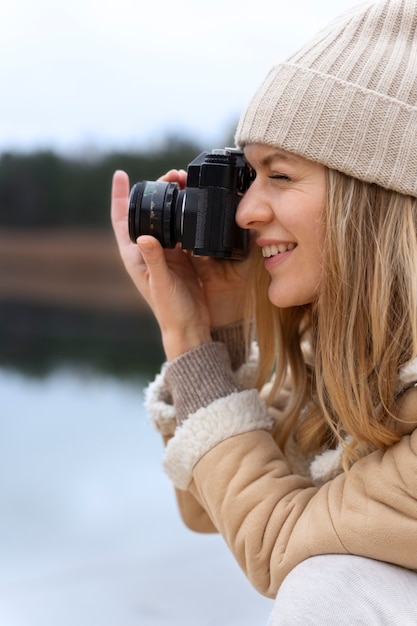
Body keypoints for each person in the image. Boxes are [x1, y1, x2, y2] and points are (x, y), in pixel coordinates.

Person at [111, 0, 417, 622]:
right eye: (248, 176)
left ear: (373, 198)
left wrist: (188, 343)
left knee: (333, 586)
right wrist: (219, 324)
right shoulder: (348, 353)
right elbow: (209, 509)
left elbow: (276, 544)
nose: (247, 211)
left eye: (279, 175)